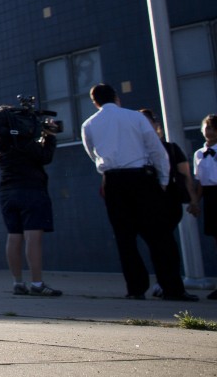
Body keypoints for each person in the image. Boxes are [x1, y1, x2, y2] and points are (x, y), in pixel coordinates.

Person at [79, 84, 198, 301]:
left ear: (94, 102)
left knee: (125, 238)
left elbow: (92, 153)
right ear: (116, 98)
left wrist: (108, 170)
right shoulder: (135, 118)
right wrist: (162, 179)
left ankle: (135, 288)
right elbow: (156, 150)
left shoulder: (88, 124)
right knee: (160, 236)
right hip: (142, 177)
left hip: (113, 180)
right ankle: (172, 288)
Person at [0, 106, 61, 296]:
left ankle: (17, 282)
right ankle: (37, 283)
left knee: (14, 235)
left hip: (7, 192)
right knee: (33, 236)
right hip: (31, 189)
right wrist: (50, 136)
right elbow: (44, 157)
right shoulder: (23, 140)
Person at [191, 114, 217, 299]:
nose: (208, 131)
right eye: (206, 127)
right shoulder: (199, 154)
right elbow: (199, 181)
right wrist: (195, 202)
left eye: (212, 128)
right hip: (210, 196)